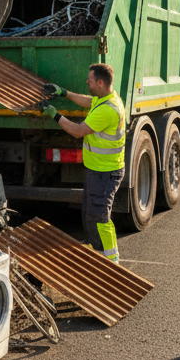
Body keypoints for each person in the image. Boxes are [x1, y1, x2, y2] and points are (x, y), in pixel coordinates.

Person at [40, 63, 127, 262]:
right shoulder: (106, 98)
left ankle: (111, 259)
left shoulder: (107, 110)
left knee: (99, 217)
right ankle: (100, 255)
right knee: (90, 215)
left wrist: (54, 115)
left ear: (100, 82)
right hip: (98, 170)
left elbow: (78, 131)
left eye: (90, 79)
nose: (86, 82)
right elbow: (88, 101)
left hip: (106, 172)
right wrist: (64, 93)